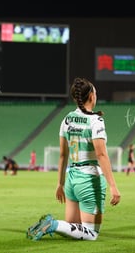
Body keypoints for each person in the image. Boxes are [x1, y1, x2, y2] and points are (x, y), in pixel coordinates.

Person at [26, 77, 121, 241]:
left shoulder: (67, 119)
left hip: (72, 179)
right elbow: (101, 155)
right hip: (90, 179)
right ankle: (53, 224)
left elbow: (63, 155)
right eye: (96, 93)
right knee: (91, 234)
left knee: (73, 229)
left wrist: (60, 184)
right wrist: (113, 186)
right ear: (91, 96)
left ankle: (55, 225)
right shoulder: (95, 121)